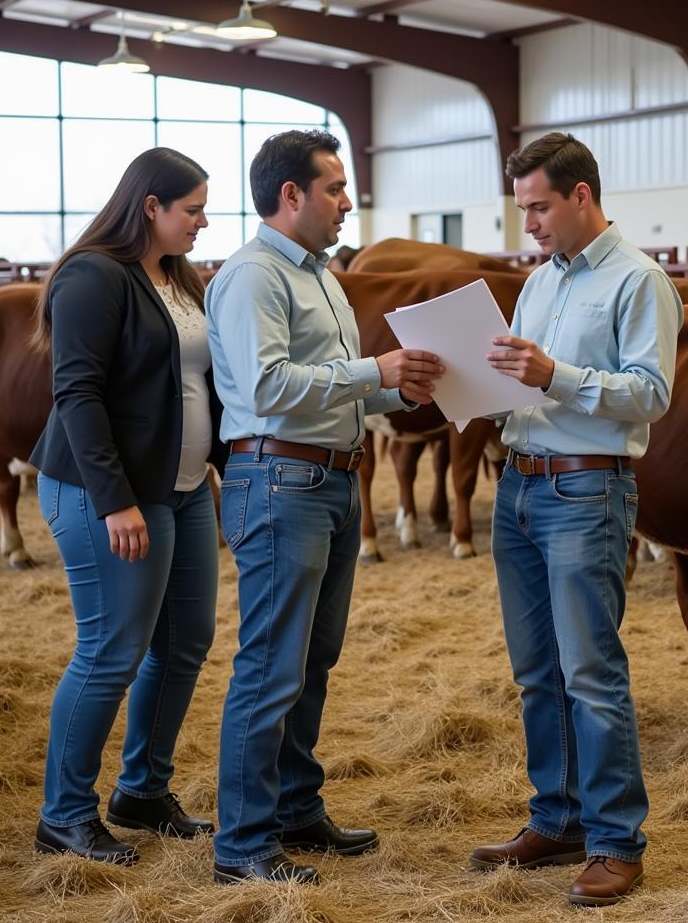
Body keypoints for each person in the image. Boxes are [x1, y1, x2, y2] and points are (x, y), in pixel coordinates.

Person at [206, 129, 443, 886]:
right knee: (272, 665)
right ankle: (243, 842)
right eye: (336, 189)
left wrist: (393, 389)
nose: (347, 203)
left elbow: (325, 378)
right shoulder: (252, 278)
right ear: (291, 196)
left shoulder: (321, 275)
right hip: (280, 481)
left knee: (312, 660)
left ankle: (295, 809)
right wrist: (375, 366)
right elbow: (269, 387)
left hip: (330, 478)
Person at [473, 133, 682, 906]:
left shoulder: (638, 281)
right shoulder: (541, 282)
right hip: (522, 485)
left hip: (588, 491)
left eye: (539, 206)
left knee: (590, 671)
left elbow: (652, 393)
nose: (528, 222)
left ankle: (616, 840)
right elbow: (525, 378)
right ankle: (557, 817)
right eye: (524, 207)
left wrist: (555, 375)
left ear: (582, 196)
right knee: (536, 672)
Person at [30, 147, 226, 864]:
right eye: (193, 210)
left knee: (185, 642)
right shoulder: (94, 277)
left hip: (179, 488)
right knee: (113, 650)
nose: (203, 222)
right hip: (102, 492)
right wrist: (115, 502)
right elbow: (76, 394)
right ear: (151, 206)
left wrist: (209, 466)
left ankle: (142, 789)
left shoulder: (180, 277)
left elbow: (198, 385)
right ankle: (64, 813)